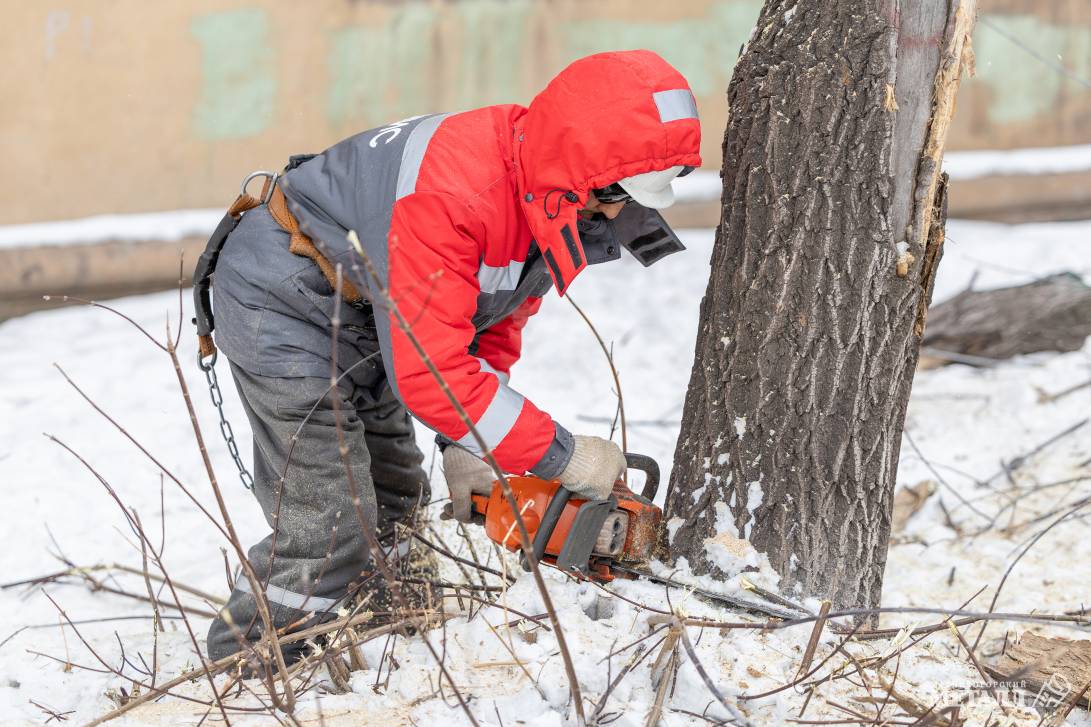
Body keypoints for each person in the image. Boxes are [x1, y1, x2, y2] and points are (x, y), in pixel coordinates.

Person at [195, 49, 701, 665]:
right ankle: (243, 665)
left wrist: (467, 443)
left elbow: (491, 321)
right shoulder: (457, 196)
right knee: (331, 524)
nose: (622, 212)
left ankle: (395, 637)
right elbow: (432, 374)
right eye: (618, 194)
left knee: (396, 496)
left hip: (370, 309)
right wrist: (562, 456)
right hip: (287, 299)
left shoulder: (539, 186)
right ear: (581, 166)